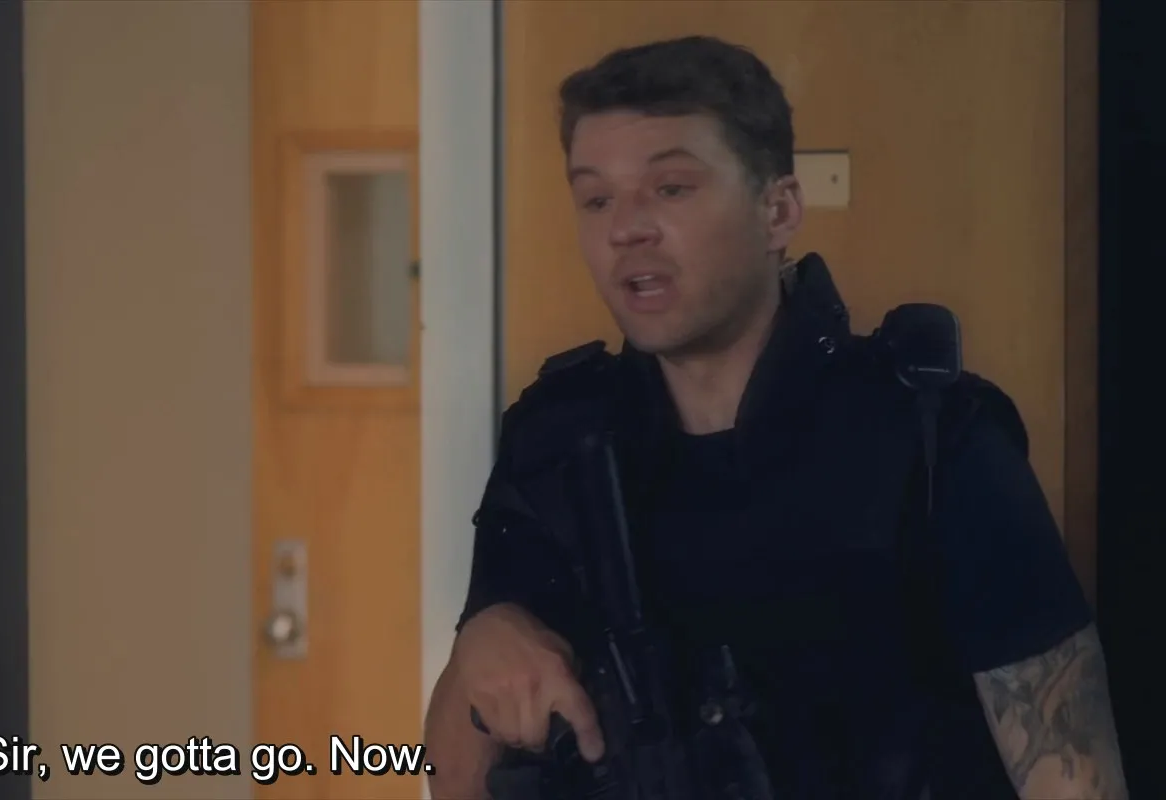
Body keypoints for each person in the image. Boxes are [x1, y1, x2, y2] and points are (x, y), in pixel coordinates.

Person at [422, 36, 1127, 800]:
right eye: (597, 199)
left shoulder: (935, 439)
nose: (626, 228)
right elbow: (451, 773)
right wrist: (480, 643)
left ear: (779, 210)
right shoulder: (556, 441)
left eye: (671, 188)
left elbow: (1075, 779)